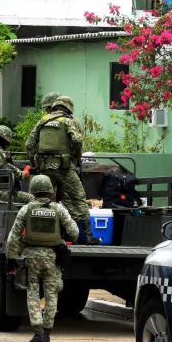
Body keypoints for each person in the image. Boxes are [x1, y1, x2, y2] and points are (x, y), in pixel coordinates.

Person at [6, 175, 79, 342]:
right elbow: (74, 232)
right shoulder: (59, 209)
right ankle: (46, 332)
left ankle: (38, 332)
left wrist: (11, 257)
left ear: (33, 190)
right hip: (52, 258)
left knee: (32, 291)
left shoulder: (26, 209)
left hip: (31, 257)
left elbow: (13, 237)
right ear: (50, 190)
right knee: (51, 294)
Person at [25, 95, 99, 244]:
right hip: (64, 168)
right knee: (78, 199)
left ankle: (40, 235)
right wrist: (77, 156)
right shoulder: (68, 121)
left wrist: (35, 161)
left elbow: (29, 144)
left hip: (45, 169)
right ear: (68, 107)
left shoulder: (43, 121)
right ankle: (87, 236)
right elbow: (77, 140)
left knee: (44, 201)